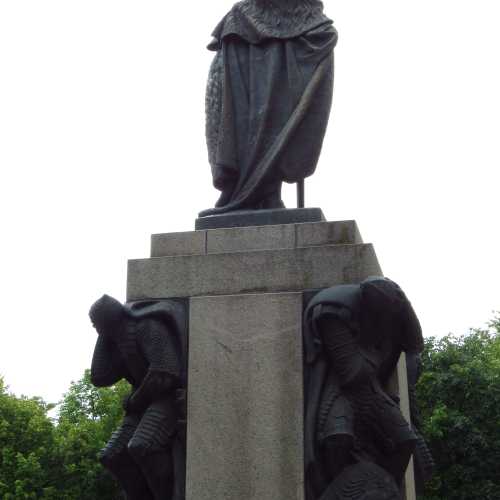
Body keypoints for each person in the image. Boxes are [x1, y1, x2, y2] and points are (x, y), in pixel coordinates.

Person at [200, 0, 338, 216]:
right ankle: (240, 187)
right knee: (241, 112)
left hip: (299, 23)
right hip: (249, 24)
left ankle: (267, 189)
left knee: (276, 114)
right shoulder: (239, 17)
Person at [303, 278, 431, 500]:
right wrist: (374, 352)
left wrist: (401, 309)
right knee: (337, 438)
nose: (386, 321)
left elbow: (414, 344)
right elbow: (352, 373)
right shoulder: (332, 310)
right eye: (382, 312)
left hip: (372, 391)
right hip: (342, 390)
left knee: (407, 441)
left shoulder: (389, 318)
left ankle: (381, 488)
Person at [88, 295, 186, 500]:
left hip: (166, 398)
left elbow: (165, 372)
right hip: (143, 403)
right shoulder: (116, 337)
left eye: (96, 324)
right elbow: (99, 376)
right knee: (111, 455)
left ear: (108, 319)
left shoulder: (146, 326)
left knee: (142, 446)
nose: (95, 328)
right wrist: (104, 335)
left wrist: (135, 400)